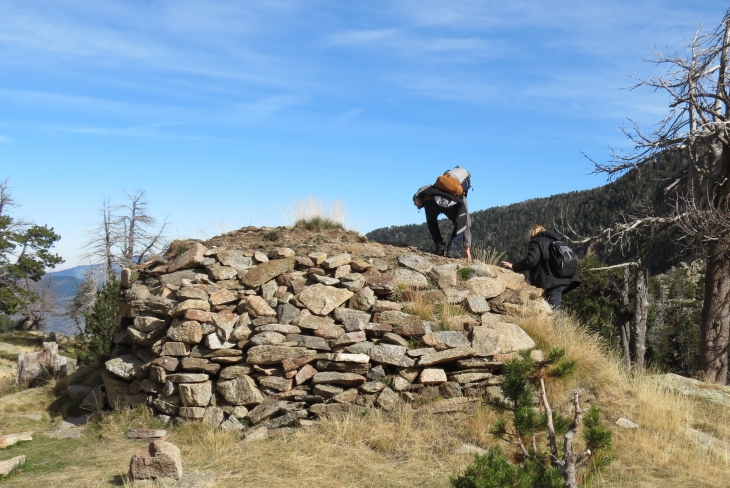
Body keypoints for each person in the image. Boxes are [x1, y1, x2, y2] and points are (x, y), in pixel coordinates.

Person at [501, 224, 580, 310]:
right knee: (550, 309)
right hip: (566, 277)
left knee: (555, 312)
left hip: (553, 282)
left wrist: (515, 266)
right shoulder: (555, 241)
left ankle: (558, 324)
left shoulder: (536, 242)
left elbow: (531, 260)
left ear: (532, 234)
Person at [413, 184, 472, 259]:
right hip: (450, 202)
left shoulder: (437, 185)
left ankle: (439, 247)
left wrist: (416, 198)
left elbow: (422, 190)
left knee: (432, 222)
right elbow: (466, 222)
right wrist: (467, 247)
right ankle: (452, 247)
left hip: (429, 199)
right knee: (461, 223)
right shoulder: (460, 193)